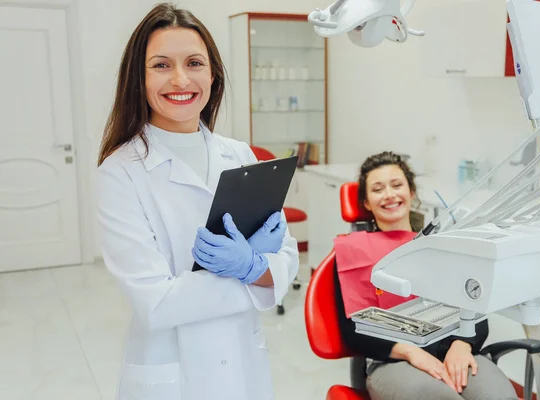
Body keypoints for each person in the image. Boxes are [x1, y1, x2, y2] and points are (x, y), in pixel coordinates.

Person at [95, 4, 299, 400]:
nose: (180, 79)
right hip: (171, 370)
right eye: (160, 65)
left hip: (244, 363)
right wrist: (250, 273)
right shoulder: (120, 172)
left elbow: (286, 260)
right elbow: (155, 304)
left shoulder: (241, 155)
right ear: (138, 78)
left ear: (213, 74)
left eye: (193, 62)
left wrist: (257, 265)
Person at [333, 151, 517, 400]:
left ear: (411, 193)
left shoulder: (441, 246)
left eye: (397, 185)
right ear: (366, 202)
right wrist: (411, 352)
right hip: (392, 361)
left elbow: (475, 308)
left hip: (454, 351)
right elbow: (351, 329)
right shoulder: (351, 254)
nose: (389, 194)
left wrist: (462, 346)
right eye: (377, 189)